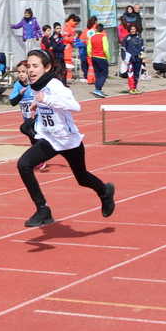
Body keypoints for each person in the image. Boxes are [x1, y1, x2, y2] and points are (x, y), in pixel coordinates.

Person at [16, 50, 116, 227]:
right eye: (29, 66)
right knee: (24, 164)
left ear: (47, 67)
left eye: (35, 66)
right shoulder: (36, 85)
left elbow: (75, 106)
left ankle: (105, 191)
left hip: (68, 140)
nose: (31, 70)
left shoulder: (55, 87)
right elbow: (42, 99)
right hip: (50, 140)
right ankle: (43, 209)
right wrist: (37, 103)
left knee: (82, 178)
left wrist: (48, 100)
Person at [87, 23, 109, 98]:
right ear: (102, 30)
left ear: (96, 29)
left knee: (97, 73)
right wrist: (107, 57)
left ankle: (97, 88)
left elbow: (89, 48)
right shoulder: (103, 37)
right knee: (104, 73)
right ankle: (98, 88)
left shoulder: (92, 38)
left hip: (94, 57)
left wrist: (91, 55)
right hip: (102, 57)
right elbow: (105, 48)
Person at [122, 24, 144, 95]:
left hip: (138, 58)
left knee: (137, 73)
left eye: (133, 29)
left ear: (136, 29)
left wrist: (143, 57)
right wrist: (124, 58)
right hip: (130, 59)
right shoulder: (127, 38)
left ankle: (135, 87)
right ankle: (131, 88)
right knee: (131, 73)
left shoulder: (140, 38)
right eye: (131, 29)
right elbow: (123, 48)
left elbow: (142, 48)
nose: (132, 30)